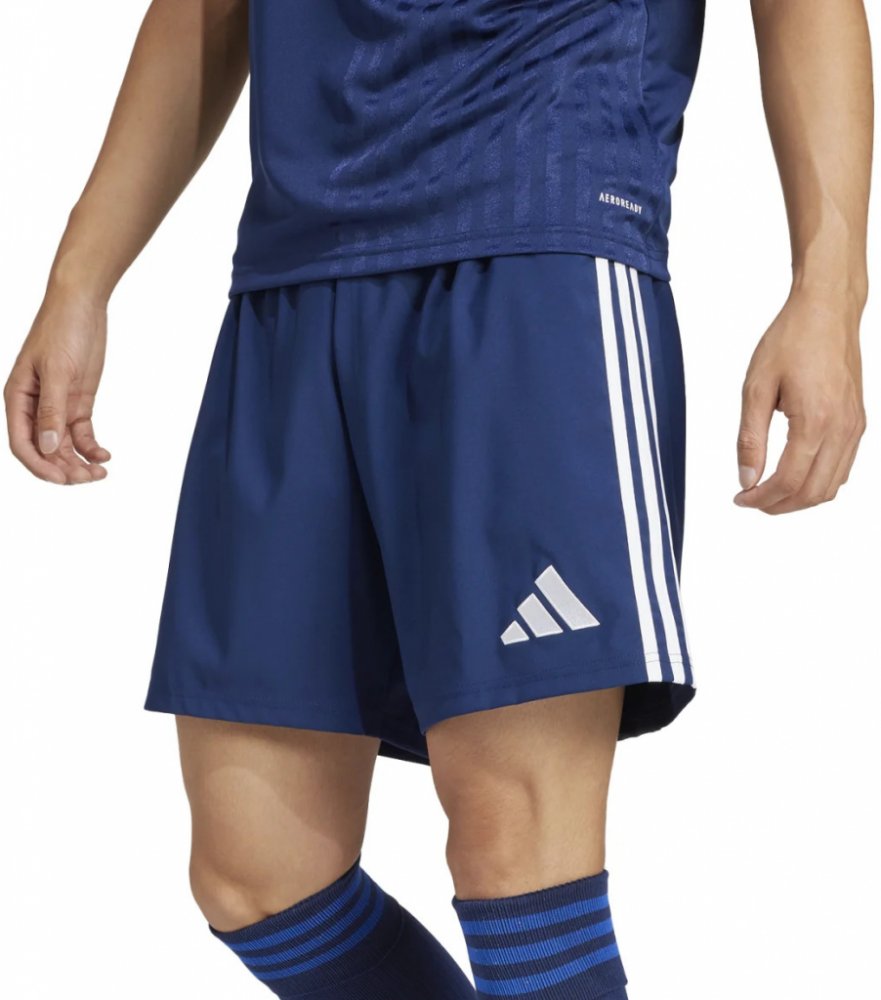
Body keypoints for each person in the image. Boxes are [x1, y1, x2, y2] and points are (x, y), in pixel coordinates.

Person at [4, 1, 872, 997]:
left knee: (516, 851)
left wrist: (829, 292)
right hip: (295, 270)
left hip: (536, 243)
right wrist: (79, 279)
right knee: (258, 877)